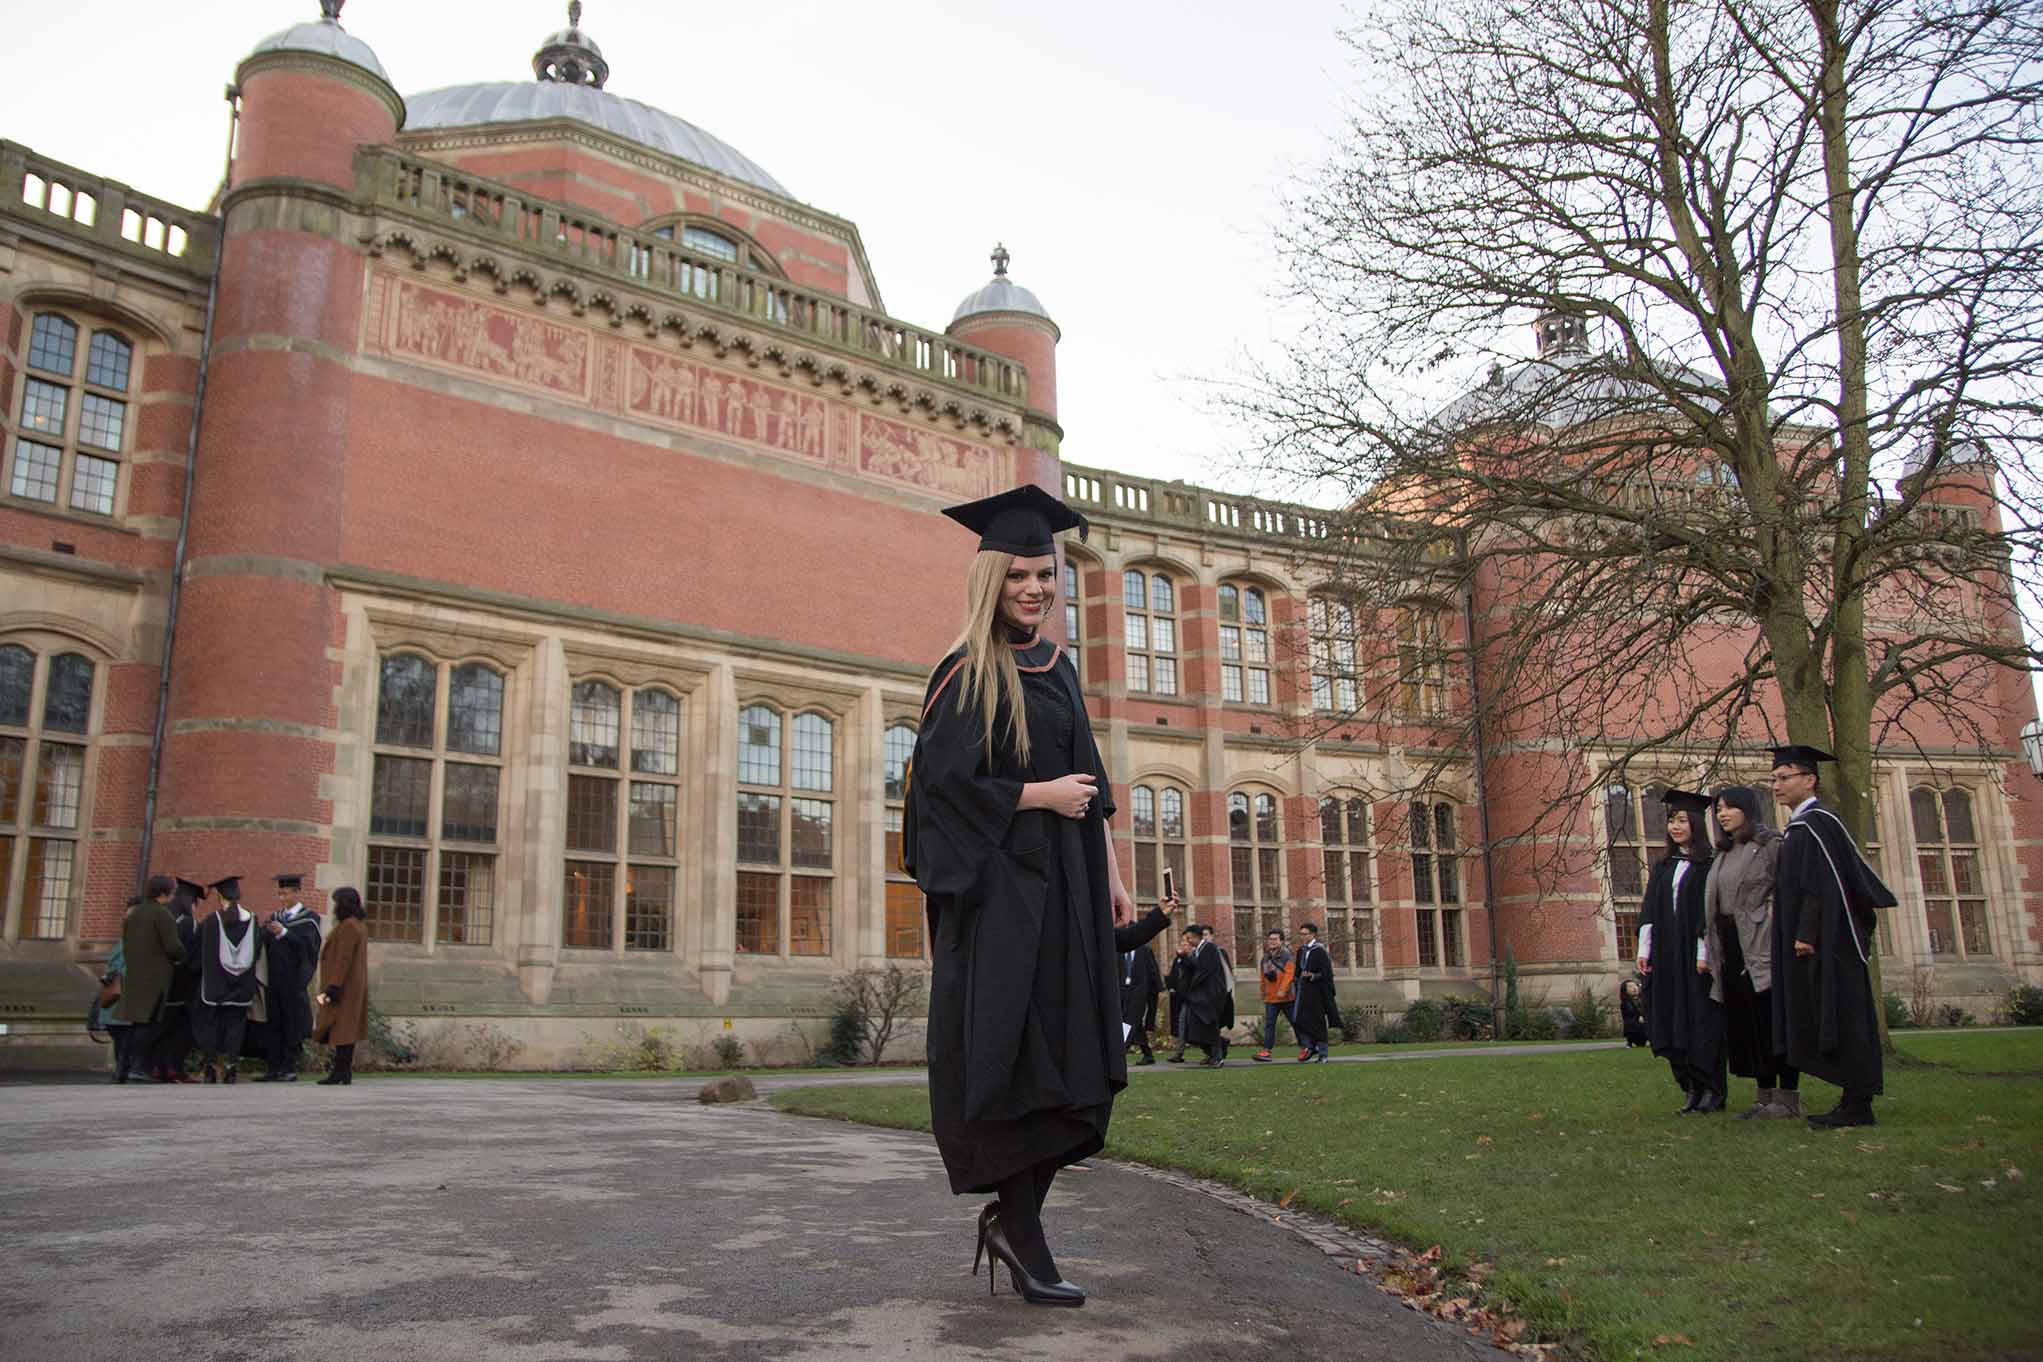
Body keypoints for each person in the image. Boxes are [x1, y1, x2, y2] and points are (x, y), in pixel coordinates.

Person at [906, 484, 1131, 1307]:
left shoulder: (1059, 670)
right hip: (1000, 903)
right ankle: (1021, 1232)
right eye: (1018, 577)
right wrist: (1033, 796)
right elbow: (940, 788)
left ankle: (1017, 1226)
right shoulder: (966, 673)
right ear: (989, 582)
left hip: (1067, 893)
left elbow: (1094, 788)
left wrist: (1109, 878)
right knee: (1011, 1059)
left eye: (1045, 575)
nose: (1033, 589)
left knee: (1068, 1062)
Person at [1768, 744, 1894, 1129]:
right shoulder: (1802, 827)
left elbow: (1821, 886)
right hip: (1818, 941)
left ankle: (1858, 1103)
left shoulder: (1819, 824)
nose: (1777, 785)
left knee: (1842, 1013)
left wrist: (1806, 933)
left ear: (1810, 779)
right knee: (1830, 1013)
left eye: (1784, 777)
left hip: (1828, 942)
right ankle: (1853, 1100)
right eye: (1773, 778)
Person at [1702, 786, 1798, 1119]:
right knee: (1747, 1024)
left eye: (1728, 808)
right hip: (1730, 946)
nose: (1721, 814)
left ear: (1748, 809)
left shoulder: (1770, 845)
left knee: (1771, 1020)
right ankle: (1763, 1096)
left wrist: (1772, 916)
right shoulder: (1724, 852)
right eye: (1718, 809)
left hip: (1761, 943)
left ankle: (1787, 1098)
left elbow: (1788, 891)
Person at [1636, 790, 1725, 1114]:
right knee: (1669, 1019)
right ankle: (1688, 1085)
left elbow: (1709, 913)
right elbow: (1649, 910)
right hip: (1666, 956)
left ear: (1697, 824)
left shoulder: (1707, 866)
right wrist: (1644, 950)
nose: (1675, 826)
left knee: (1700, 1022)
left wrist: (1705, 953)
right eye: (1672, 820)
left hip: (1695, 957)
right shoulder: (1663, 867)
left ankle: (1712, 1088)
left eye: (1682, 820)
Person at [112, 876, 184, 1083]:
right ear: (164, 893)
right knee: (149, 1025)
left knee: (134, 1025)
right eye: (172, 891)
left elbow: (126, 944)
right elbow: (173, 946)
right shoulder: (162, 914)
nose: (173, 895)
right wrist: (182, 956)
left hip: (134, 974)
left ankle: (122, 1069)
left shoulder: (134, 914)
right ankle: (138, 1068)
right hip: (155, 978)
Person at [190, 875, 259, 1084]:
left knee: (211, 1025)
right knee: (235, 1027)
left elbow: (196, 952)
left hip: (215, 986)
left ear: (220, 896)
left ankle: (210, 1067)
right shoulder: (254, 921)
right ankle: (231, 1068)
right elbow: (259, 950)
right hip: (243, 986)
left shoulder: (211, 922)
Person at [258, 875, 322, 1082]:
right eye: (280, 893)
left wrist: (284, 932)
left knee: (292, 1023)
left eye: (285, 893)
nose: (282, 897)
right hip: (274, 979)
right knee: (274, 1023)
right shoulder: (276, 916)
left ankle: (289, 1067)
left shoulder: (309, 919)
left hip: (294, 981)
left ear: (296, 892)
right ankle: (273, 1067)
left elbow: (308, 948)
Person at [149, 877, 205, 1082]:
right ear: (190, 903)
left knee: (161, 1026)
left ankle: (157, 1067)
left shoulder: (164, 919)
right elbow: (191, 956)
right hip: (182, 985)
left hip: (161, 983)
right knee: (179, 1028)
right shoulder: (189, 924)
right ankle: (174, 1067)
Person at [315, 887, 370, 1086]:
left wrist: (334, 984)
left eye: (337, 903)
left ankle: (340, 1071)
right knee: (347, 1028)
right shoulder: (359, 925)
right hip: (353, 986)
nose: (334, 908)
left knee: (342, 1027)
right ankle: (343, 1071)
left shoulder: (348, 926)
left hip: (344, 986)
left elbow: (343, 958)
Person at [1180, 925, 1234, 1066]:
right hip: (1199, 996)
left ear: (1197, 937)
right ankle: (1216, 1048)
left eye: (1189, 937)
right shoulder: (1198, 950)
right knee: (1195, 1027)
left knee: (1209, 1025)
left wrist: (1187, 956)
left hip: (1210, 995)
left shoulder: (1209, 948)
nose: (1188, 940)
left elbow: (1203, 969)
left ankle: (1217, 1056)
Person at [1120, 912, 1167, 1065]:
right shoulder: (1118, 950)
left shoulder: (1144, 950)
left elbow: (1152, 970)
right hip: (1123, 990)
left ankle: (1121, 1052)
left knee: (1130, 1021)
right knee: (1135, 1023)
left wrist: (1158, 988)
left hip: (1139, 991)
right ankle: (1148, 1054)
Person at [1291, 921, 1339, 1063]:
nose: (1302, 937)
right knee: (1298, 1019)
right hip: (1303, 990)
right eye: (1301, 934)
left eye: (1305, 934)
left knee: (1317, 1022)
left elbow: (1327, 973)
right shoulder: (1301, 951)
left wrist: (1313, 975)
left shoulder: (1319, 951)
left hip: (1317, 991)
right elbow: (1298, 971)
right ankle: (1310, 1046)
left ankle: (1323, 1054)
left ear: (1312, 935)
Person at [1253, 928, 1295, 1062]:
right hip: (1271, 997)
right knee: (1269, 1024)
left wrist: (1283, 989)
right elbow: (1262, 976)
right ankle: (1266, 1051)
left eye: (1275, 939)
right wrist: (1262, 990)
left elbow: (1289, 975)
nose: (1272, 942)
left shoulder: (1287, 955)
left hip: (1286, 997)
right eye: (1270, 939)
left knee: (1296, 1022)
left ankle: (1307, 1046)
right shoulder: (1265, 957)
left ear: (1281, 941)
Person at [1164, 931, 1196, 1062]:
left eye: (1186, 944)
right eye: (1182, 943)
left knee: (1192, 1025)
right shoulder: (1178, 960)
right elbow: (1173, 975)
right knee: (1181, 1025)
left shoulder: (1192, 958)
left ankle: (1216, 1047)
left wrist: (1183, 957)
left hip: (1192, 998)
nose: (1183, 946)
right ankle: (1179, 1053)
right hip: (1180, 998)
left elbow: (1191, 968)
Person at [1620, 975, 1648, 1047]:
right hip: (1633, 1027)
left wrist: (1644, 1016)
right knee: (1629, 1023)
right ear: (1625, 990)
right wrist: (1638, 1017)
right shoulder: (1625, 1003)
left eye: (1635, 985)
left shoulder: (1644, 999)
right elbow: (1628, 1014)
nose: (1634, 988)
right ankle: (1629, 1042)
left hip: (1645, 1025)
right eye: (1630, 986)